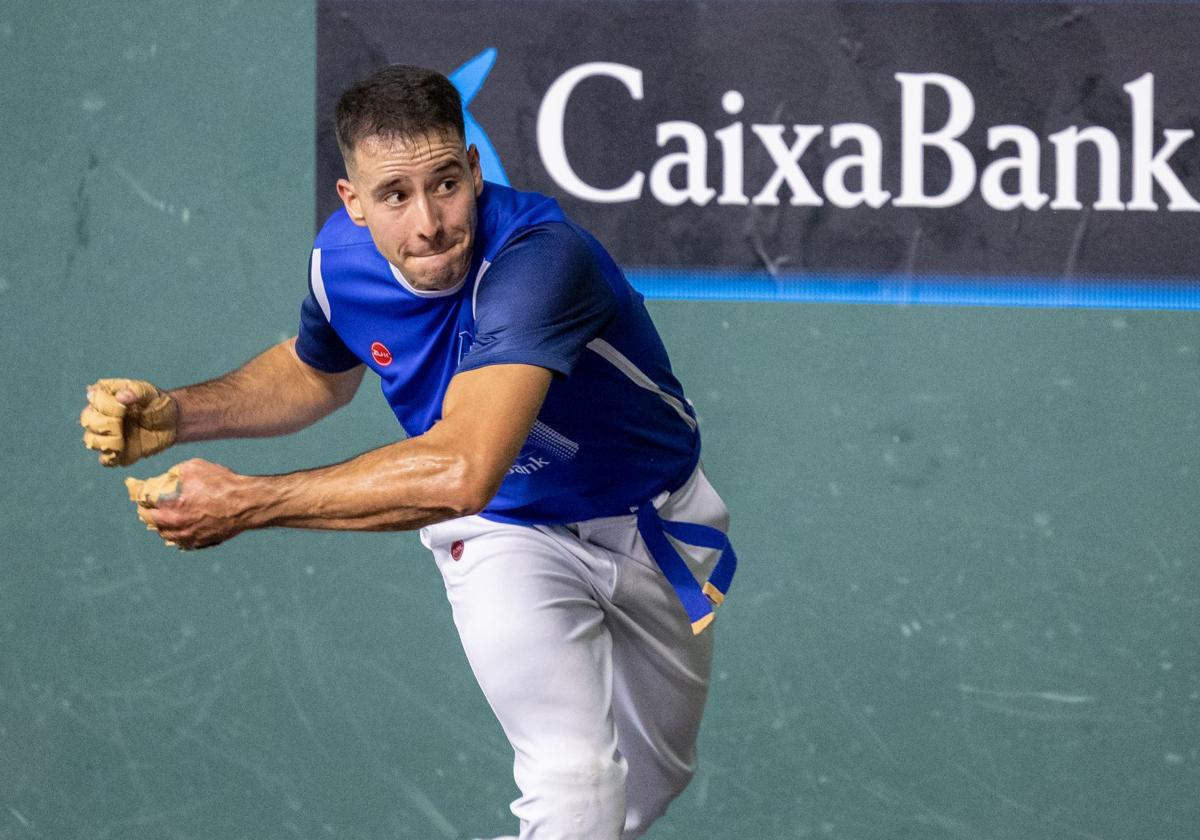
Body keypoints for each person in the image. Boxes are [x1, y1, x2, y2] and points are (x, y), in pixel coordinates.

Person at [80, 64, 735, 840]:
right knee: (575, 783)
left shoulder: (541, 262)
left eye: (445, 184)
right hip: (505, 533)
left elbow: (461, 466)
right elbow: (316, 373)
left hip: (657, 526)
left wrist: (250, 501)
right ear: (352, 203)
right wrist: (181, 413)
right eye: (394, 195)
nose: (427, 222)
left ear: (475, 171)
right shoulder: (338, 263)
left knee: (649, 784)